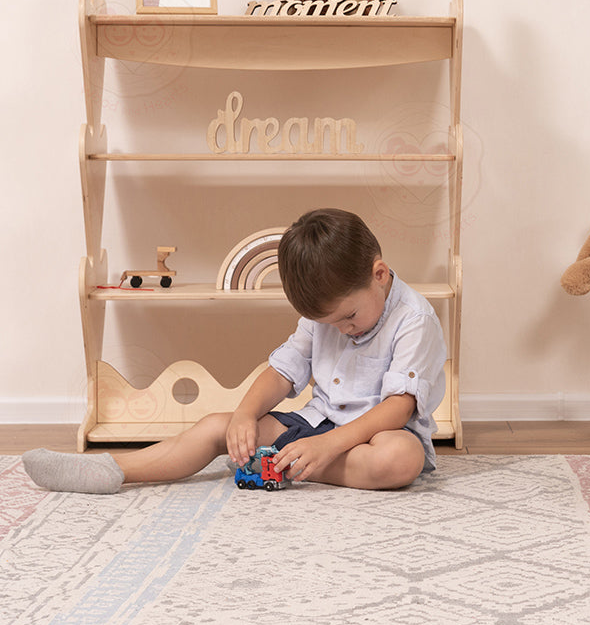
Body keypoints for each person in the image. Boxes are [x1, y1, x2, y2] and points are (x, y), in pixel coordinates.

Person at [24, 209, 447, 495]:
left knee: (399, 460)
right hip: (314, 425)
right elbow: (282, 372)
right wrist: (245, 415)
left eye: (349, 317)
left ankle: (281, 464)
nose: (342, 329)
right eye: (330, 323)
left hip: (374, 438)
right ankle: (114, 469)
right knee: (216, 426)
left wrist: (329, 445)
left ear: (379, 273)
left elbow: (398, 408)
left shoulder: (414, 319)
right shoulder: (327, 314)